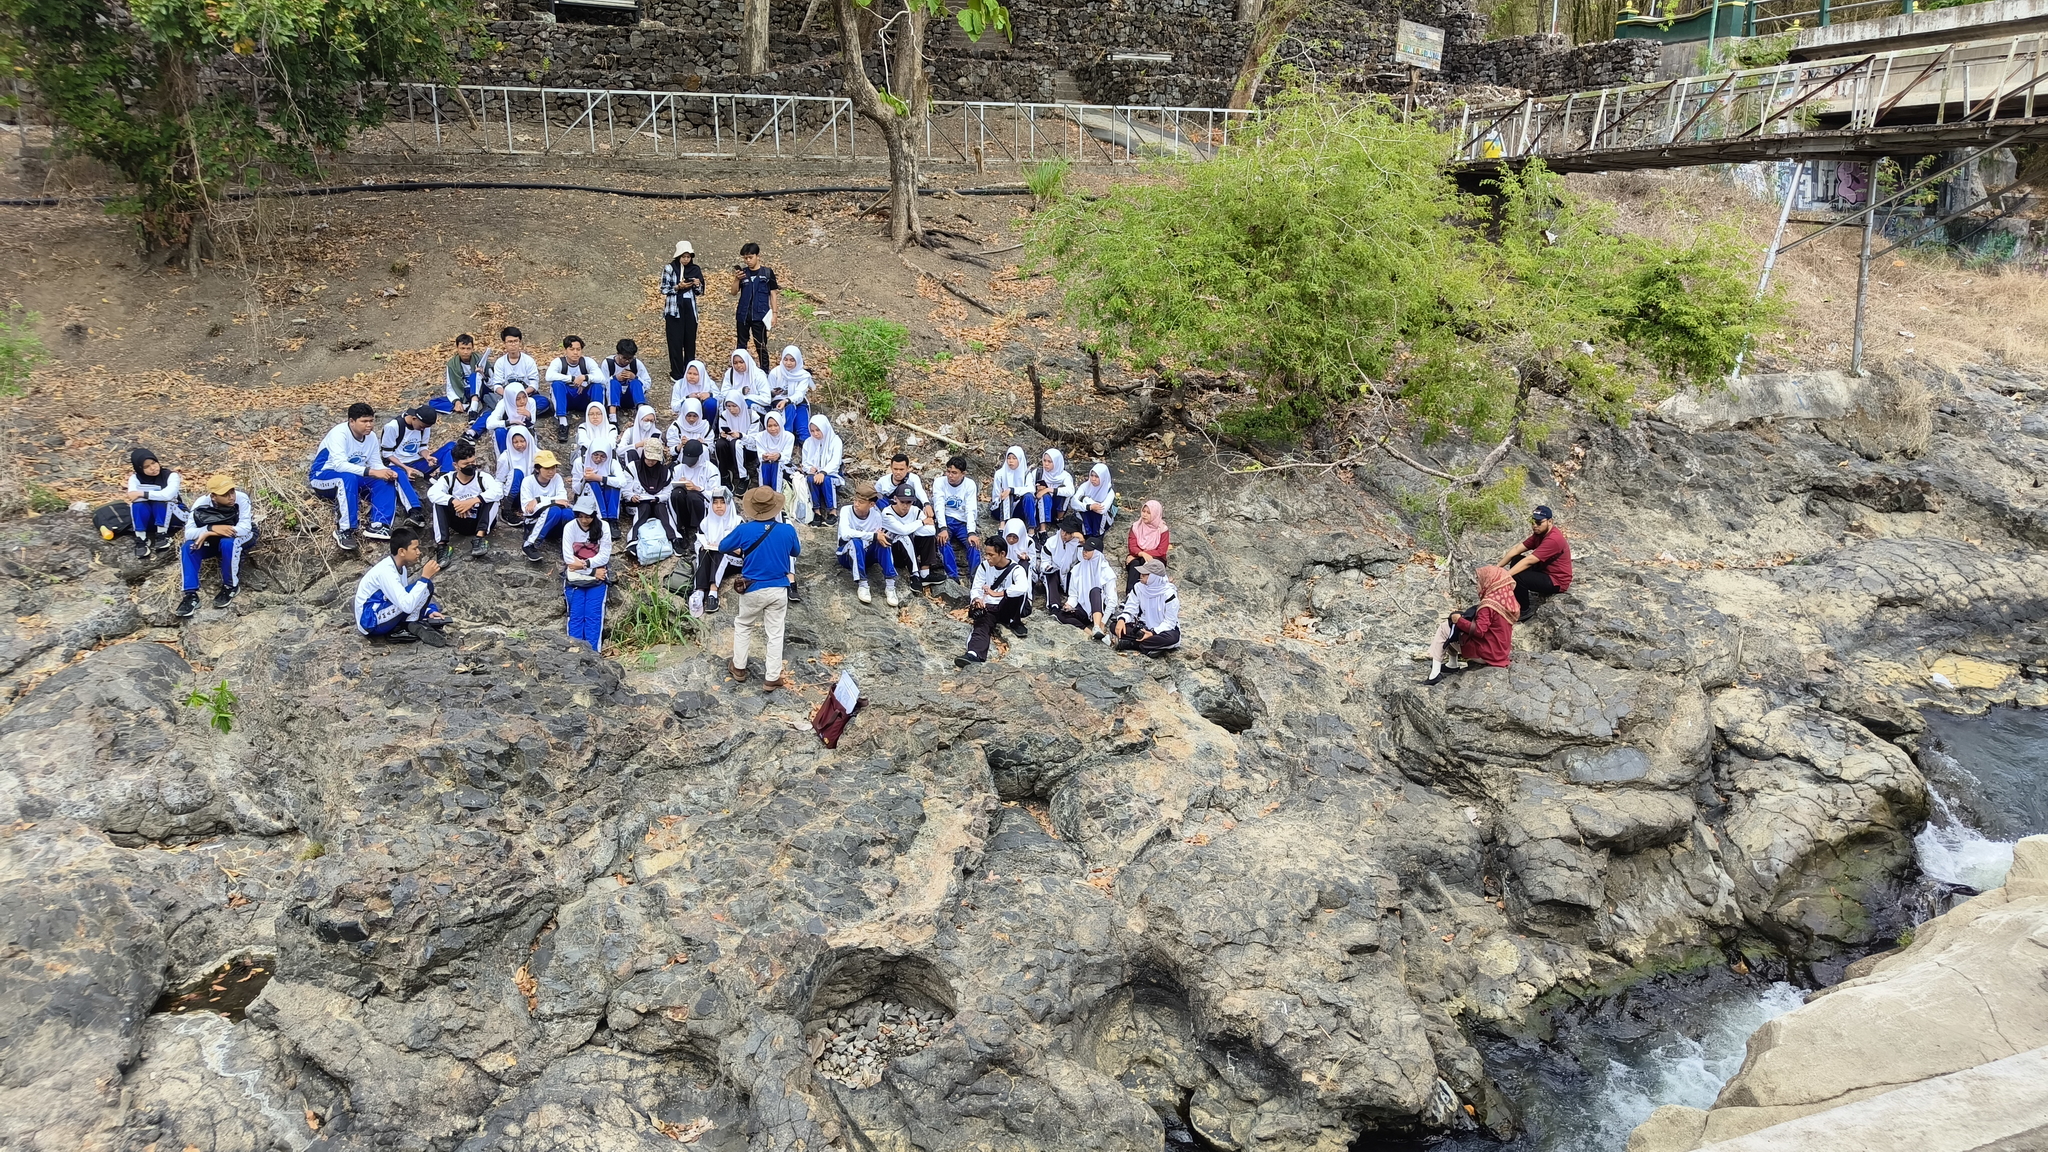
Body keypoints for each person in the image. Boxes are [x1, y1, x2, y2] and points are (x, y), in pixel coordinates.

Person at [720, 485, 801, 689]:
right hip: (778, 587)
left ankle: (739, 667)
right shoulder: (787, 530)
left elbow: (722, 546)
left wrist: (741, 549)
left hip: (752, 587)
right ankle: (772, 677)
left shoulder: (745, 529)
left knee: (744, 625)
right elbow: (795, 552)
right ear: (775, 507)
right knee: (775, 633)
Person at [310, 401, 400, 551]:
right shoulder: (339, 434)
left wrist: (386, 472)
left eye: (371, 421)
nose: (369, 425)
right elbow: (339, 465)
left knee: (384, 481)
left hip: (352, 477)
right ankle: (345, 530)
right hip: (322, 476)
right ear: (351, 421)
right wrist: (371, 472)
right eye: (364, 421)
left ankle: (379, 524)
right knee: (346, 477)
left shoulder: (370, 437)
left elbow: (376, 463)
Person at [176, 472, 254, 618]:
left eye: (232, 491)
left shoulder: (241, 498)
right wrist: (210, 529)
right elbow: (189, 533)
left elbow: (245, 528)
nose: (231, 497)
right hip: (214, 540)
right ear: (213, 496)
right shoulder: (201, 503)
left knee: (228, 542)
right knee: (188, 547)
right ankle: (190, 595)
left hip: (240, 537)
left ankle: (230, 586)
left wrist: (208, 533)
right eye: (225, 494)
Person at [354, 526, 447, 646]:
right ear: (402, 551)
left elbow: (403, 596)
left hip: (381, 612)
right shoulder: (386, 571)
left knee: (424, 588)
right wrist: (424, 578)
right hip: (370, 621)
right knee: (424, 585)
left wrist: (428, 611)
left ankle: (410, 624)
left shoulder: (400, 567)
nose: (419, 552)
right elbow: (406, 605)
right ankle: (407, 625)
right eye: (415, 548)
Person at [1428, 565, 1519, 682]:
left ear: (1489, 581)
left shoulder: (1488, 605)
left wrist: (1458, 620)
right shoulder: (1508, 602)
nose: (1478, 585)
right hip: (1500, 652)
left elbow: (1479, 631)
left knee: (1444, 628)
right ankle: (1452, 665)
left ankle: (1434, 674)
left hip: (1486, 654)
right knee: (1453, 630)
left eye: (1480, 581)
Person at [956, 535, 1029, 668]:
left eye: (991, 555)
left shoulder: (1016, 569)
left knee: (1016, 594)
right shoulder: (984, 566)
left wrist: (999, 593)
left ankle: (1014, 621)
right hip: (990, 607)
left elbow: (1023, 587)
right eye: (986, 554)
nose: (987, 558)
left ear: (1002, 554)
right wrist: (977, 600)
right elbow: (976, 587)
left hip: (1007, 606)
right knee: (981, 625)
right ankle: (974, 654)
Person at [428, 440, 501, 562]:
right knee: (438, 503)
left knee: (493, 499)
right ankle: (442, 546)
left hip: (479, 520)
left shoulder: (483, 478)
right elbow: (432, 493)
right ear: (456, 465)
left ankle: (479, 539)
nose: (471, 466)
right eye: (466, 463)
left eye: (473, 462)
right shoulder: (448, 479)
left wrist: (472, 501)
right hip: (459, 521)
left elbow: (498, 491)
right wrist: (454, 502)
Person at [1501, 505, 1573, 618]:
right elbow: (1516, 550)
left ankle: (1524, 610)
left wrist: (1504, 577)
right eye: (1533, 522)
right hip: (1544, 571)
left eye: (1539, 523)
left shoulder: (1553, 539)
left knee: (1519, 575)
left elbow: (1529, 561)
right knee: (1516, 560)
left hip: (1557, 581)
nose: (1535, 526)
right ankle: (1517, 595)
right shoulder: (1539, 534)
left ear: (1550, 521)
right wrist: (1497, 568)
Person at [562, 493, 613, 651]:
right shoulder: (570, 527)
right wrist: (591, 571)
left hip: (597, 581)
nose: (584, 520)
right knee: (576, 616)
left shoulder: (603, 527)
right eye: (580, 516)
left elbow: (604, 556)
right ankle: (575, 655)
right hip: (576, 580)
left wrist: (584, 564)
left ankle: (593, 655)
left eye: (588, 517)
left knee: (593, 617)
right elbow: (569, 561)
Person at [837, 481, 899, 606]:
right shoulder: (846, 511)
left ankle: (890, 586)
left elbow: (877, 538)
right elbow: (845, 534)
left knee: (883, 542)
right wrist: (873, 536)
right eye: (855, 500)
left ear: (871, 504)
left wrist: (877, 537)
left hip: (866, 555)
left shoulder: (876, 516)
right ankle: (863, 584)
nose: (856, 504)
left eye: (861, 502)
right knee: (856, 542)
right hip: (846, 554)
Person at [931, 455, 980, 601]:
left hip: (962, 522)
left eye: (954, 473)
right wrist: (942, 527)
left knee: (973, 544)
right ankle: (952, 576)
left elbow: (971, 509)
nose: (950, 476)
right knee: (943, 542)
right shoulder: (939, 482)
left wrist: (971, 531)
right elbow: (938, 505)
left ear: (963, 474)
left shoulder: (969, 485)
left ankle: (976, 578)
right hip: (946, 519)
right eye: (948, 472)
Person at [689, 485, 741, 616]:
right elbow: (697, 542)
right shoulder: (706, 522)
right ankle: (699, 592)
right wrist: (703, 546)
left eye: (723, 502)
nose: (719, 506)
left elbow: (744, 550)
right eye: (715, 502)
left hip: (734, 562)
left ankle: (713, 591)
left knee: (720, 551)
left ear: (729, 504)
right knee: (703, 551)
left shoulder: (738, 523)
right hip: (712, 560)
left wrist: (727, 547)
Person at [1111, 558, 1181, 656]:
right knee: (1114, 626)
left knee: (1173, 638)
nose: (1141, 575)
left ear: (1154, 577)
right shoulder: (1138, 587)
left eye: (1145, 574)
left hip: (1161, 631)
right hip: (1143, 627)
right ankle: (1150, 647)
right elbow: (1131, 609)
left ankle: (1132, 644)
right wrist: (1122, 619)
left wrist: (1153, 632)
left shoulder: (1169, 594)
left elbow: (1170, 622)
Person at [622, 439, 678, 560]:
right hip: (637, 504)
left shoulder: (665, 472)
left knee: (660, 508)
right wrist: (631, 496)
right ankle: (633, 540)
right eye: (648, 458)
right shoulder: (633, 468)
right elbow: (625, 489)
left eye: (654, 459)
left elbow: (668, 492)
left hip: (657, 502)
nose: (651, 462)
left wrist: (658, 498)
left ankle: (673, 537)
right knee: (645, 507)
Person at [126, 447, 185, 559]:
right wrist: (142, 495)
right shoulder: (135, 478)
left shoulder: (171, 476)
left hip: (174, 516)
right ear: (139, 469)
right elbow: (132, 496)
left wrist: (143, 494)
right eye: (146, 467)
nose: (153, 468)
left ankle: (162, 535)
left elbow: (168, 495)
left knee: (161, 501)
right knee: (138, 505)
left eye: (154, 463)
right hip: (151, 520)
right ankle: (141, 539)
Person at [1053, 535, 1117, 640]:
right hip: (1084, 608)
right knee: (1062, 615)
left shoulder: (1107, 572)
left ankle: (1097, 627)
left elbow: (1112, 600)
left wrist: (1102, 622)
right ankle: (1091, 633)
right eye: (1084, 549)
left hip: (1101, 609)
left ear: (1097, 553)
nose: (1084, 551)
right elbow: (1073, 595)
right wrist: (1069, 605)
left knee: (1095, 591)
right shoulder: (1077, 569)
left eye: (1088, 550)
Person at [378, 406, 439, 514]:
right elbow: (386, 454)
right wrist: (406, 468)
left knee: (451, 447)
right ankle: (415, 510)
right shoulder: (393, 427)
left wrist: (427, 457)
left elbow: (422, 447)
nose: (423, 429)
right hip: (397, 464)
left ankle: (442, 476)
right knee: (399, 474)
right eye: (421, 427)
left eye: (426, 427)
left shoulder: (425, 427)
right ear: (414, 418)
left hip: (416, 462)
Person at [660, 240, 707, 378]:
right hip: (674, 309)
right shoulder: (669, 268)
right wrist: (678, 287)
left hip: (690, 308)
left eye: (688, 257)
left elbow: (700, 291)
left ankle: (689, 372)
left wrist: (697, 284)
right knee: (675, 341)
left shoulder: (695, 269)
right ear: (678, 256)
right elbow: (663, 289)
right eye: (683, 257)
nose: (686, 260)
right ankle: (676, 373)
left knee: (689, 341)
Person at [881, 484, 939, 590]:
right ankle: (914, 575)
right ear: (895, 499)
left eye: (909, 502)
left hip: (912, 549)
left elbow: (931, 530)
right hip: (894, 553)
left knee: (928, 536)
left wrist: (912, 528)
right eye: (902, 502)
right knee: (904, 537)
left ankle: (925, 574)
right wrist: (921, 522)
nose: (905, 506)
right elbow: (903, 530)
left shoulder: (915, 510)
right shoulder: (887, 513)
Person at [520, 451, 574, 561]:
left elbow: (563, 500)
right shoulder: (528, 481)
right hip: (536, 524)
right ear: (537, 469)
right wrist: (554, 501)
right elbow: (527, 509)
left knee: (568, 513)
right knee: (554, 510)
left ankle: (569, 547)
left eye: (553, 468)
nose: (551, 472)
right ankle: (530, 544)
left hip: (555, 525)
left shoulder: (557, 478)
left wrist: (538, 499)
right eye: (547, 468)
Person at [547, 336, 602, 444]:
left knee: (597, 386)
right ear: (565, 350)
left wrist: (585, 378)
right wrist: (572, 379)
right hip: (566, 399)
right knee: (557, 384)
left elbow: (601, 377)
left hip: (583, 398)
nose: (575, 352)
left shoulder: (587, 362)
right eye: (572, 349)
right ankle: (563, 423)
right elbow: (549, 376)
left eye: (578, 349)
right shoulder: (558, 362)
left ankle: (598, 421)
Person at [732, 241, 779, 367]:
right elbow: (733, 292)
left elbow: (773, 293)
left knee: (761, 344)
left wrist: (774, 314)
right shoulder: (743, 273)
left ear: (758, 256)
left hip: (761, 315)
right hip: (743, 314)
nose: (748, 260)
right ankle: (740, 369)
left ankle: (764, 371)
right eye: (745, 258)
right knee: (741, 345)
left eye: (750, 257)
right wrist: (737, 279)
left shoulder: (767, 273)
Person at [669, 439, 717, 553]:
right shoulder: (679, 468)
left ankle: (696, 531)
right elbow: (669, 489)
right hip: (683, 506)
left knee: (693, 496)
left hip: (700, 505)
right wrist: (679, 484)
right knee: (677, 494)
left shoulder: (710, 469)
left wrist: (698, 488)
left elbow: (716, 494)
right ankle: (682, 529)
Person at [799, 414, 844, 527]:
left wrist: (823, 472)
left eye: (818, 430)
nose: (815, 433)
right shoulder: (809, 442)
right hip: (815, 474)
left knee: (827, 480)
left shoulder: (835, 441)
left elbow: (835, 461)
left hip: (831, 474)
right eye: (812, 431)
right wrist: (810, 469)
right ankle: (817, 512)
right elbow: (805, 462)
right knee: (810, 479)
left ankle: (832, 512)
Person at [488, 327, 543, 414]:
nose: (513, 344)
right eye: (510, 342)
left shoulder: (528, 361)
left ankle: (512, 413)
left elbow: (534, 384)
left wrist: (521, 396)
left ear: (520, 342)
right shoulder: (500, 362)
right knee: (495, 406)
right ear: (504, 344)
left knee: (543, 402)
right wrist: (509, 396)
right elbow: (497, 385)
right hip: (508, 397)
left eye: (515, 341)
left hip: (526, 396)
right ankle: (519, 412)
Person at [765, 346, 812, 450]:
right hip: (778, 404)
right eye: (785, 360)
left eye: (792, 360)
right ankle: (785, 444)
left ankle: (810, 455)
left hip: (798, 403)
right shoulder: (775, 372)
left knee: (803, 432)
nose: (788, 363)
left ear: (798, 360)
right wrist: (773, 393)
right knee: (787, 417)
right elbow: (767, 392)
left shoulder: (803, 376)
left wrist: (787, 400)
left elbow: (800, 394)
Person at [1037, 516, 1084, 608]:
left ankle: (1073, 603)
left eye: (1068, 533)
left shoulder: (1078, 544)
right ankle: (1054, 604)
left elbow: (1082, 560)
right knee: (1050, 575)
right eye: (1063, 531)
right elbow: (1045, 560)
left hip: (1070, 574)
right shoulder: (1051, 542)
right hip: (1055, 572)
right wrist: (1047, 566)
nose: (1064, 534)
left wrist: (1081, 543)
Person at [494, 425, 538, 526]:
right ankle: (507, 511)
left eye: (522, 441)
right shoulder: (505, 457)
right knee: (516, 473)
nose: (519, 445)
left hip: (532, 494)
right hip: (515, 495)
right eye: (515, 442)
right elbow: (499, 480)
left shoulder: (536, 453)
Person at [714, 391, 757, 492]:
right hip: (731, 447)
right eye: (728, 406)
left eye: (734, 406)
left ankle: (744, 477)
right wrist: (724, 435)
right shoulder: (724, 415)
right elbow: (723, 430)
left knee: (736, 442)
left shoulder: (752, 416)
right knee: (720, 443)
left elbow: (754, 440)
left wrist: (741, 435)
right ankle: (724, 475)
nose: (731, 409)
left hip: (748, 450)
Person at [1125, 499, 1170, 593]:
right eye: (1143, 511)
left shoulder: (1162, 529)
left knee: (1145, 562)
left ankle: (1147, 594)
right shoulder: (1136, 526)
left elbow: (1161, 551)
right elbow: (1132, 546)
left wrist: (1143, 554)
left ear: (1155, 514)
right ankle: (1130, 595)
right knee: (1134, 564)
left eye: (1148, 513)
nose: (1144, 515)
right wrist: (1141, 554)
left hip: (1156, 558)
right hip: (1138, 556)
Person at [484, 384, 544, 453]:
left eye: (524, 397)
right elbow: (489, 424)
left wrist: (528, 416)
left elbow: (531, 425)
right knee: (499, 431)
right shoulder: (503, 404)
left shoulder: (530, 402)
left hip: (524, 431)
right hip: (508, 432)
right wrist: (509, 422)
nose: (522, 401)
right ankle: (506, 457)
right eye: (518, 399)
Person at [1029, 448, 1075, 532]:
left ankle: (1059, 519)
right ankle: (1043, 527)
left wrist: (1048, 489)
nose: (1046, 464)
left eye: (1049, 462)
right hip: (1040, 507)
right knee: (1044, 496)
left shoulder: (1065, 476)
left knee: (1063, 491)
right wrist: (1037, 489)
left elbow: (1071, 491)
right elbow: (1029, 489)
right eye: (1044, 460)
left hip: (1055, 507)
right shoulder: (1037, 473)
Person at [576, 443, 624, 522]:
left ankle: (613, 518)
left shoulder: (612, 463)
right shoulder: (580, 462)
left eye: (602, 456)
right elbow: (576, 490)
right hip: (588, 495)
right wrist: (584, 478)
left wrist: (599, 478)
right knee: (593, 483)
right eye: (596, 455)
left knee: (614, 481)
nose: (598, 459)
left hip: (606, 494)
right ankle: (602, 517)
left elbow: (622, 482)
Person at [443, 333, 490, 415]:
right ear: (457, 348)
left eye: (468, 348)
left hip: (481, 390)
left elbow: (491, 379)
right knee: (434, 402)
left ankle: (473, 406)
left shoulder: (480, 360)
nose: (465, 352)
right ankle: (466, 406)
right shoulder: (452, 364)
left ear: (472, 349)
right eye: (462, 348)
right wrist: (456, 401)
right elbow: (450, 386)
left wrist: (482, 374)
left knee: (474, 376)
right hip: (463, 392)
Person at [605, 339, 651, 418]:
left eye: (630, 358)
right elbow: (602, 383)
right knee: (613, 382)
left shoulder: (636, 364)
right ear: (618, 354)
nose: (627, 361)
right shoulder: (608, 363)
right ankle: (612, 417)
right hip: (614, 397)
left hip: (631, 398)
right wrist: (615, 378)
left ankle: (641, 412)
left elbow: (648, 383)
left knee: (636, 382)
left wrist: (635, 377)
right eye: (624, 358)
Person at [753, 411, 795, 494]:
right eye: (769, 426)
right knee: (765, 465)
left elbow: (786, 457)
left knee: (777, 465)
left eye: (776, 425)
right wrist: (765, 456)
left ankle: (776, 495)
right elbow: (760, 455)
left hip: (784, 466)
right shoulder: (760, 436)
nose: (773, 429)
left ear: (780, 424)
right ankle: (765, 494)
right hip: (766, 465)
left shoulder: (788, 436)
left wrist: (779, 456)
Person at [669, 359, 718, 429]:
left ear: (701, 374)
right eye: (689, 373)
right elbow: (674, 407)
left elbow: (721, 399)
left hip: (705, 416)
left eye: (695, 374)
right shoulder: (680, 384)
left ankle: (709, 429)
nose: (691, 376)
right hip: (687, 417)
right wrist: (687, 398)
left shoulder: (709, 383)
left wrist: (710, 395)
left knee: (711, 403)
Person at [989, 446, 1032, 524]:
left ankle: (1031, 529)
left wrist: (1012, 490)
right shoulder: (1000, 474)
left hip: (1018, 509)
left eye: (1014, 458)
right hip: (1002, 508)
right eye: (1009, 458)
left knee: (1028, 496)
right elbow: (996, 495)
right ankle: (1002, 526)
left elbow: (1031, 489)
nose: (1011, 461)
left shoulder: (1026, 474)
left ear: (1020, 459)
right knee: (1007, 495)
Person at [1075, 462, 1116, 537]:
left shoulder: (1109, 491)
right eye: (1092, 475)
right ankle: (1087, 534)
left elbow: (1102, 509)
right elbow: (1073, 502)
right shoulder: (1085, 486)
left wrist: (1084, 499)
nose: (1093, 479)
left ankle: (1097, 535)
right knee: (1084, 511)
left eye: (1097, 477)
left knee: (1097, 514)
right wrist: (1090, 506)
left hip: (1102, 519)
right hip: (1088, 515)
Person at [724, 349, 770, 413]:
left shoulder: (758, 375)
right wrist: (740, 392)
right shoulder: (730, 373)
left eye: (741, 362)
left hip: (756, 407)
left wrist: (746, 398)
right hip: (734, 405)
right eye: (735, 363)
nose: (738, 365)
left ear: (747, 361)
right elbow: (724, 394)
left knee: (745, 404)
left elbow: (766, 399)